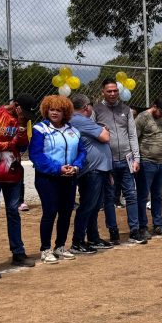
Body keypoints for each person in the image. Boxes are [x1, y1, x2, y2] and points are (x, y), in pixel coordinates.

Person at [29, 95, 86, 263]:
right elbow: (36, 155)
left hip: (69, 177)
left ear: (65, 112)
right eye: (51, 109)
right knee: (50, 212)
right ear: (46, 111)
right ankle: (45, 249)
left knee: (66, 212)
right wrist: (58, 169)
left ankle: (60, 246)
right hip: (48, 178)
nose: (54, 113)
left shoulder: (73, 131)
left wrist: (75, 166)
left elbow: (82, 152)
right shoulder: (40, 129)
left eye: (58, 110)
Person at [0, 95, 37, 269]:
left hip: (13, 174)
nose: (25, 115)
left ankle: (18, 252)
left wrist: (22, 125)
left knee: (13, 214)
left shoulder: (23, 119)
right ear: (16, 105)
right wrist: (9, 144)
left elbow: (22, 147)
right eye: (23, 111)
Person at [94, 80, 142, 245]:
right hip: (108, 162)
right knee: (109, 197)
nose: (113, 94)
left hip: (127, 160)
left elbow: (132, 135)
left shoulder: (126, 110)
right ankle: (113, 231)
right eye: (109, 91)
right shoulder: (97, 111)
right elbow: (94, 136)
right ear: (103, 92)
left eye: (115, 91)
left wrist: (136, 158)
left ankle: (134, 230)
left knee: (131, 195)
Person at [69, 93, 112, 254]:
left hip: (98, 169)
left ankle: (93, 237)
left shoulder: (83, 121)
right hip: (91, 170)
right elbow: (105, 136)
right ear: (86, 107)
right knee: (87, 206)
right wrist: (103, 129)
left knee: (94, 206)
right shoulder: (80, 120)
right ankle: (77, 241)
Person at [135, 98, 162, 237]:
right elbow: (134, 138)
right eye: (161, 111)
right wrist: (136, 159)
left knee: (157, 195)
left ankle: (158, 225)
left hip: (161, 163)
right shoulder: (142, 117)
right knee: (143, 195)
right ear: (154, 106)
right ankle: (142, 226)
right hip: (146, 162)